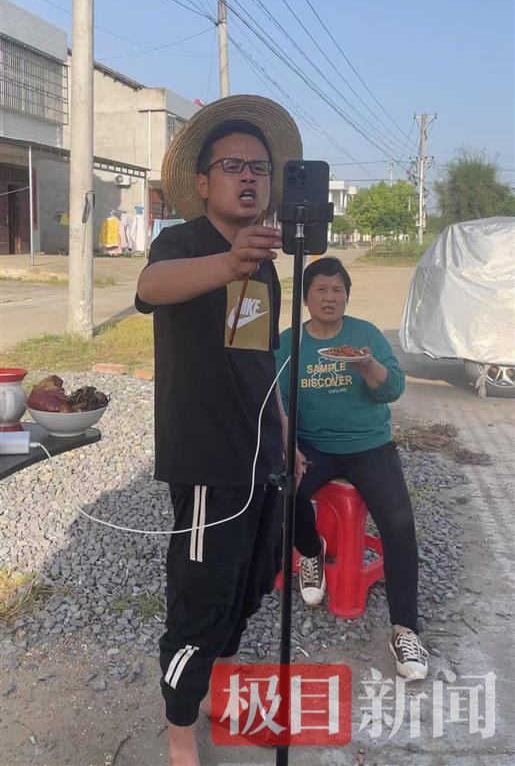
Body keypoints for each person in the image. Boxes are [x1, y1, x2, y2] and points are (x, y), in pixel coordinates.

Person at [135, 95, 303, 765]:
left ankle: (213, 696)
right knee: (200, 597)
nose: (248, 176)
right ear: (203, 183)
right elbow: (151, 287)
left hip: (260, 457)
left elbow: (256, 359)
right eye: (232, 165)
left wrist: (284, 436)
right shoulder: (183, 243)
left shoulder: (264, 263)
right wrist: (229, 262)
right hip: (207, 459)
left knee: (247, 586)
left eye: (258, 167)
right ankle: (180, 731)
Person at [275, 256, 428, 682]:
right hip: (314, 446)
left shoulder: (366, 336)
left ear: (347, 296)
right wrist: (289, 447)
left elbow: (393, 389)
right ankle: (312, 551)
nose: (330, 297)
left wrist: (368, 367)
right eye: (321, 289)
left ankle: (405, 629)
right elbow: (277, 401)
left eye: (337, 290)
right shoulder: (289, 343)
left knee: (399, 525)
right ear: (306, 298)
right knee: (283, 495)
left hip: (370, 447)